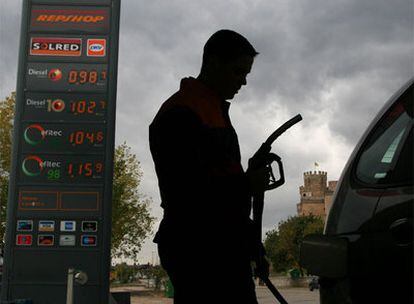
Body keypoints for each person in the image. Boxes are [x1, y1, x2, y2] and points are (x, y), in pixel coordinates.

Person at [149, 29, 269, 304]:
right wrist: (247, 184)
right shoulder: (181, 114)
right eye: (239, 72)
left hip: (221, 247)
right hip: (200, 251)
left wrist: (251, 245)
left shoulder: (212, 110)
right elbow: (187, 192)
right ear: (214, 63)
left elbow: (221, 180)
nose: (244, 82)